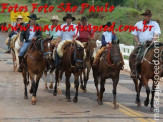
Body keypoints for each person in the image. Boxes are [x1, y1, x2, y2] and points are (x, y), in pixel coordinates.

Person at [130, 9, 161, 78]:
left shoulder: (154, 24)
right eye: (147, 16)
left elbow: (156, 34)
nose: (149, 17)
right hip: (141, 44)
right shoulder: (138, 24)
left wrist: (153, 42)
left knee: (160, 54)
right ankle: (134, 71)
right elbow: (135, 34)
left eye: (150, 16)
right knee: (133, 55)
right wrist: (138, 42)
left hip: (152, 43)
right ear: (144, 16)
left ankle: (160, 71)